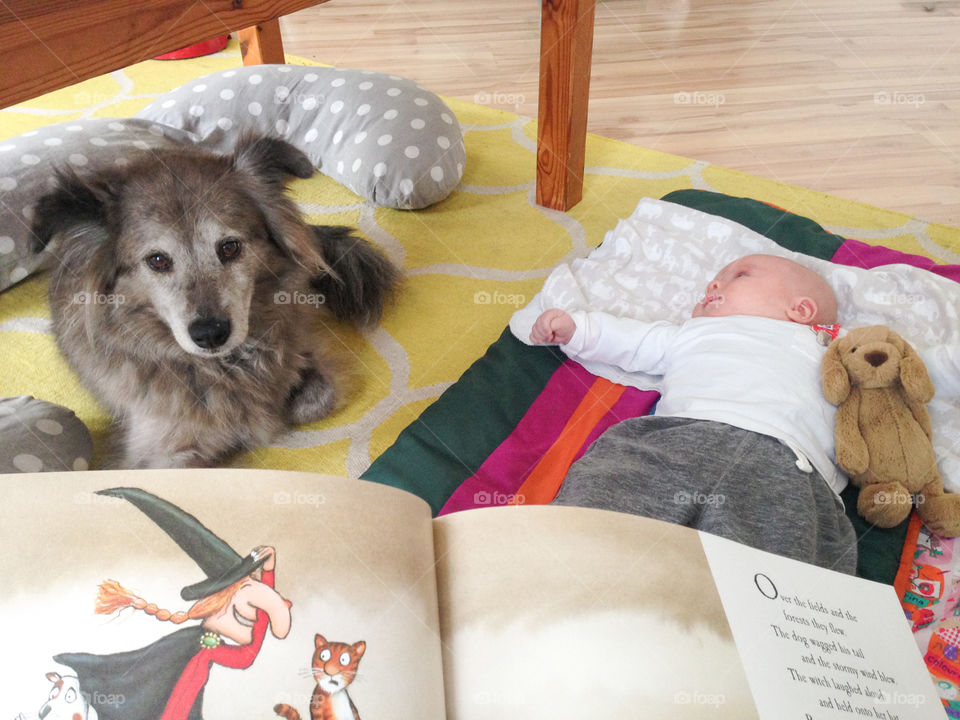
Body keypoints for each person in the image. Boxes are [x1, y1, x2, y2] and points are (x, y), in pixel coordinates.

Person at [530, 253, 858, 573]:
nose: (714, 283)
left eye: (740, 275)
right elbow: (634, 341)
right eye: (715, 279)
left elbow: (883, 389)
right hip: (679, 437)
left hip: (787, 464)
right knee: (616, 487)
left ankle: (737, 619)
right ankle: (576, 570)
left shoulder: (837, 348)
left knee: (774, 559)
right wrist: (577, 329)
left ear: (801, 309)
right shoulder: (692, 333)